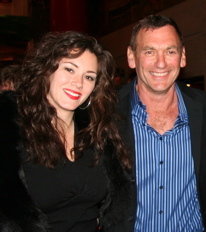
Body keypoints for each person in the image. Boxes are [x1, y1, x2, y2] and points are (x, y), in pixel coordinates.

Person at [0, 31, 130, 232]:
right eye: (69, 69)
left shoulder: (97, 133)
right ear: (46, 70)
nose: (78, 83)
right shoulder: (10, 130)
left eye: (89, 77)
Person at [110, 15, 206, 231]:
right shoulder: (106, 112)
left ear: (183, 56)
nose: (161, 63)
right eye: (149, 52)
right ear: (132, 57)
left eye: (170, 51)